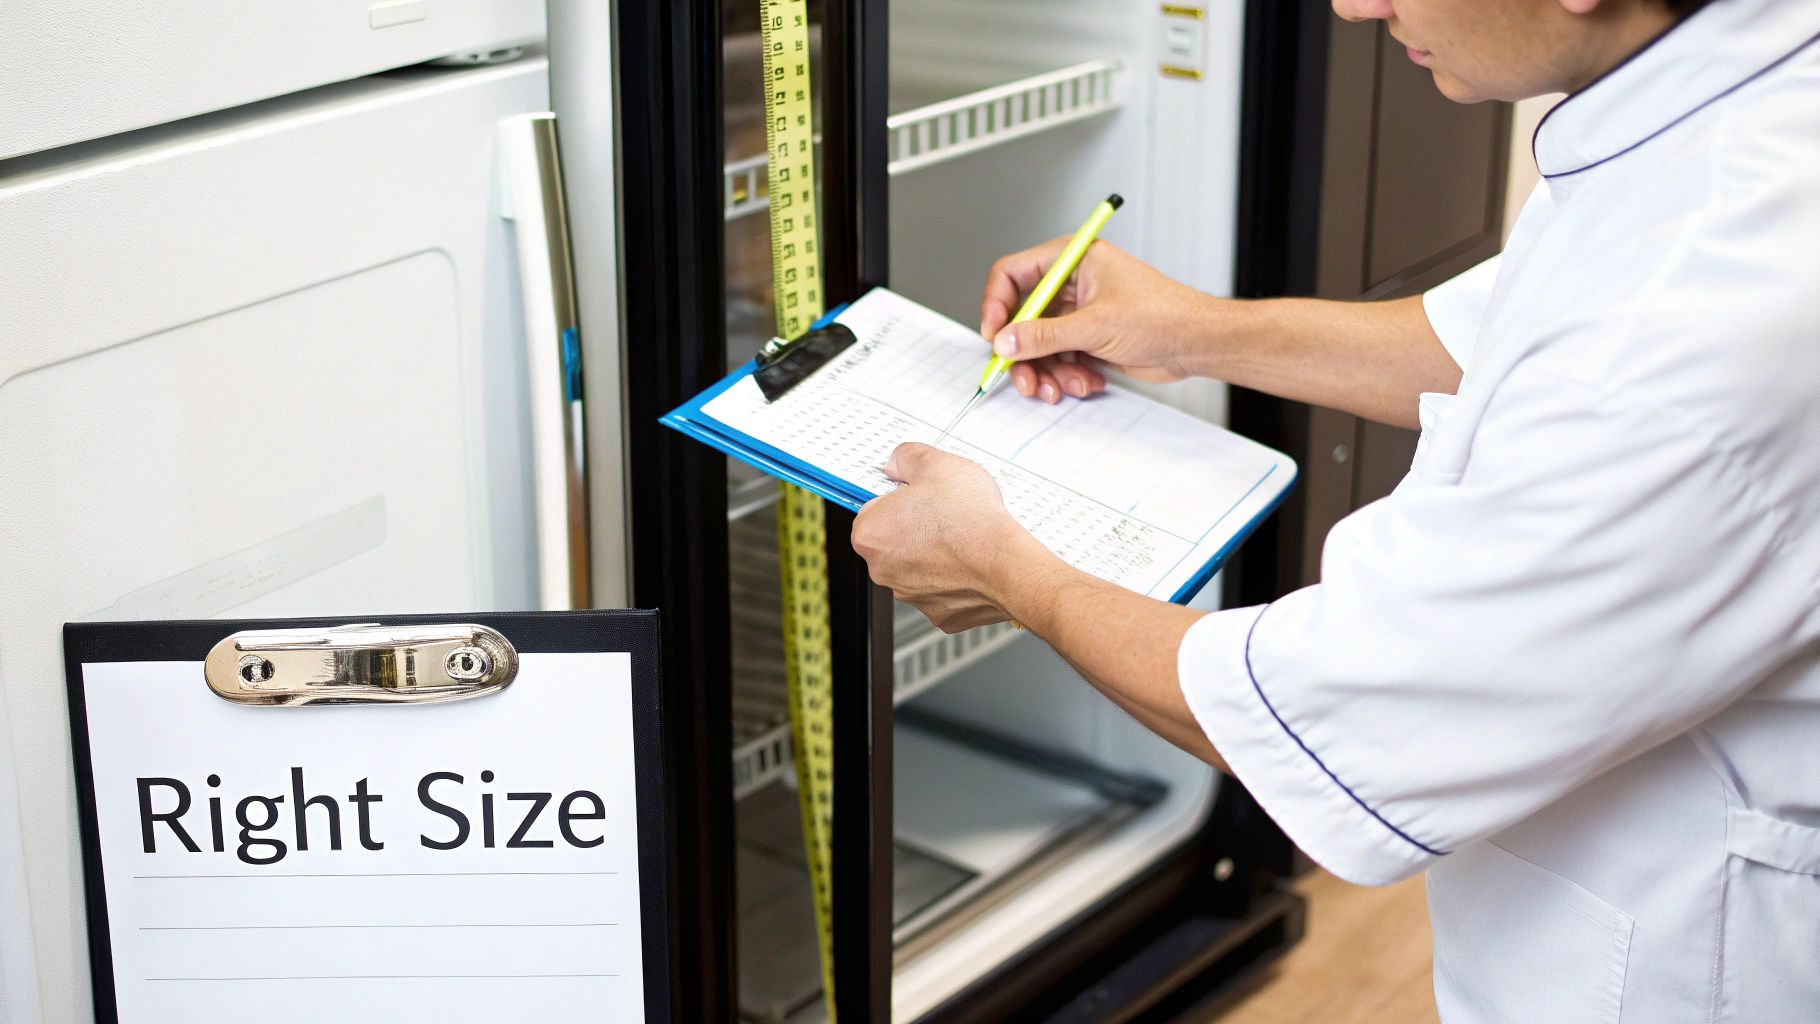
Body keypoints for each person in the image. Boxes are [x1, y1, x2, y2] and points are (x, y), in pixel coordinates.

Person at [850, 0, 1820, 1019]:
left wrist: (1009, 569)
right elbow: (1511, 341)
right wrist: (1190, 331)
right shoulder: (1728, 106)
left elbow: (1318, 704)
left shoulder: (1682, 341)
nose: (1353, 5)